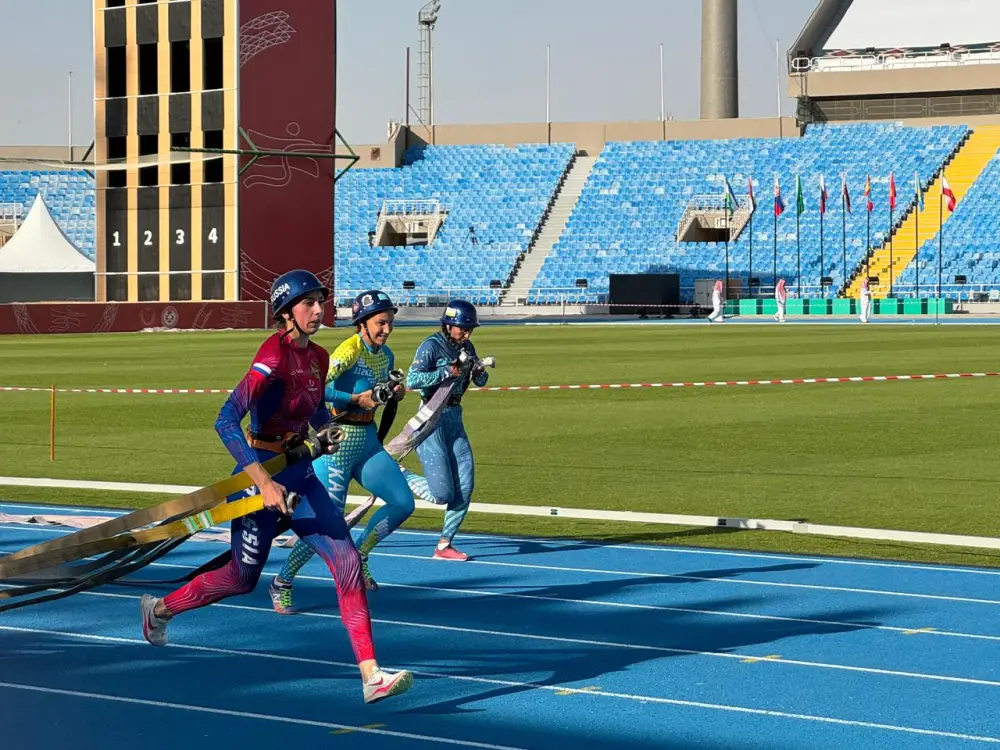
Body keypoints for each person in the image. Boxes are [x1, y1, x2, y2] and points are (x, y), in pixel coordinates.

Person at [139, 271, 413, 705]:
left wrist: (324, 431)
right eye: (308, 304)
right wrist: (264, 484)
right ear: (286, 312)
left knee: (346, 561)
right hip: (258, 477)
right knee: (240, 579)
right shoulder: (272, 353)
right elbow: (226, 420)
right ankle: (159, 610)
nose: (318, 310)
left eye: (321, 302)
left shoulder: (320, 357)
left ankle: (371, 675)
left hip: (300, 475)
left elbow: (317, 407)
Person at [270, 289, 414, 603]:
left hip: (367, 442)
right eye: (380, 323)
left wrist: (393, 393)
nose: (386, 330)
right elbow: (317, 390)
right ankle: (282, 581)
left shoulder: (385, 356)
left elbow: (377, 394)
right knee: (327, 521)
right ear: (362, 323)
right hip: (337, 444)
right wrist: (354, 399)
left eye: (389, 323)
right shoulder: (349, 350)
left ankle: (361, 555)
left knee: (403, 503)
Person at [399, 300, 493, 561]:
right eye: (463, 329)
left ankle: (444, 545)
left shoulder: (468, 346)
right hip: (432, 418)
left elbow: (481, 380)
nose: (467, 334)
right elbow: (412, 380)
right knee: (441, 494)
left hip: (455, 418)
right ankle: (400, 474)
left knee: (466, 485)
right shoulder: (431, 345)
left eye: (470, 329)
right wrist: (446, 372)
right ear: (448, 325)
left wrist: (479, 371)